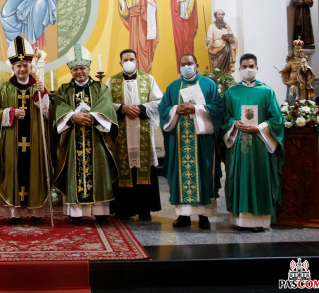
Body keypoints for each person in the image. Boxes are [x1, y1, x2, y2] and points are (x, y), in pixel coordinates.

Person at [0, 36, 50, 224]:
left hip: (35, 141)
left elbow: (48, 114)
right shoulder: (5, 89)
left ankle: (36, 213)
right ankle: (14, 214)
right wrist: (10, 112)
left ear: (30, 67)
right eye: (18, 66)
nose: (22, 69)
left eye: (25, 65)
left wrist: (43, 95)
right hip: (11, 143)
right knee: (13, 173)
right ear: (13, 68)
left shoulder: (37, 87)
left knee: (34, 172)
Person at [54, 44, 118, 224]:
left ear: (89, 69)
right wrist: (72, 116)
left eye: (82, 68)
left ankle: (101, 212)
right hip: (73, 140)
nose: (79, 72)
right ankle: (75, 214)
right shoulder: (64, 90)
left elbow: (106, 106)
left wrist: (92, 117)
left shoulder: (100, 88)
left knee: (99, 172)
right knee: (74, 173)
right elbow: (58, 107)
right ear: (71, 71)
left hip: (97, 138)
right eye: (75, 69)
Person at [159, 54, 224, 229]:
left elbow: (218, 109)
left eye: (189, 63)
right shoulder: (173, 87)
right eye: (183, 64)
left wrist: (196, 108)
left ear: (197, 65)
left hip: (202, 141)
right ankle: (183, 215)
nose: (186, 67)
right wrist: (175, 109)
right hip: (179, 141)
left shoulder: (208, 84)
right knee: (180, 176)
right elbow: (163, 109)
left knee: (204, 173)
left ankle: (204, 216)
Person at [223, 53, 285, 231]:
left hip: (260, 144)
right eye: (244, 66)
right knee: (240, 179)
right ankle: (240, 221)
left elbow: (277, 119)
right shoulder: (231, 92)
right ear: (239, 69)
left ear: (257, 68)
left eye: (251, 66)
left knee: (260, 178)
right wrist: (234, 123)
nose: (248, 69)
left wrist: (259, 128)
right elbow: (225, 117)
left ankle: (260, 221)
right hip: (238, 143)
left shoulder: (266, 91)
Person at [107, 49, 163, 221]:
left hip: (142, 130)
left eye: (132, 59)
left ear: (136, 61)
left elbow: (159, 101)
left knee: (144, 167)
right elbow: (105, 104)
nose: (129, 62)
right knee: (123, 168)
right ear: (120, 63)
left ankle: (145, 209)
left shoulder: (148, 79)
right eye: (125, 60)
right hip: (122, 133)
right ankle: (124, 209)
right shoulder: (112, 81)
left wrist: (142, 108)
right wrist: (122, 108)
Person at [109, 0, 158, 73]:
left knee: (144, 51)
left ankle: (146, 75)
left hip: (143, 24)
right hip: (134, 24)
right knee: (134, 49)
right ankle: (135, 73)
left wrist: (148, 6)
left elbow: (152, 4)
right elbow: (125, 10)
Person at [279, 38, 315, 104]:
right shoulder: (291, 61)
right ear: (293, 52)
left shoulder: (303, 61)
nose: (297, 53)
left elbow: (308, 69)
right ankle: (291, 104)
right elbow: (287, 69)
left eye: (298, 52)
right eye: (295, 51)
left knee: (301, 93)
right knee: (292, 91)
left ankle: (301, 104)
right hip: (292, 79)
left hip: (301, 79)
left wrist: (304, 69)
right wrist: (282, 71)